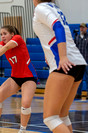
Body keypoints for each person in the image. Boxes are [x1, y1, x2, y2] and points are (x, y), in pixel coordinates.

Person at [32, 0, 87, 133]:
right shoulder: (54, 7)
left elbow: (58, 27)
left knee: (50, 118)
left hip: (65, 64)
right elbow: (51, 34)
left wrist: (62, 57)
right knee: (62, 116)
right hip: (78, 63)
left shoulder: (41, 8)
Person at [0, 25, 37, 133]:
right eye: (1, 34)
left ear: (12, 34)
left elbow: (5, 48)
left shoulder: (17, 39)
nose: (2, 36)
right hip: (15, 77)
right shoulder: (2, 43)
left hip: (28, 77)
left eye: (5, 34)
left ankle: (22, 130)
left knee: (25, 104)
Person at [74, 23, 88, 99]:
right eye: (80, 27)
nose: (81, 29)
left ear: (86, 28)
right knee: (79, 79)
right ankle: (78, 93)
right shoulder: (77, 37)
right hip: (79, 61)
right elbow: (74, 48)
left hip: (87, 61)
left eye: (83, 27)